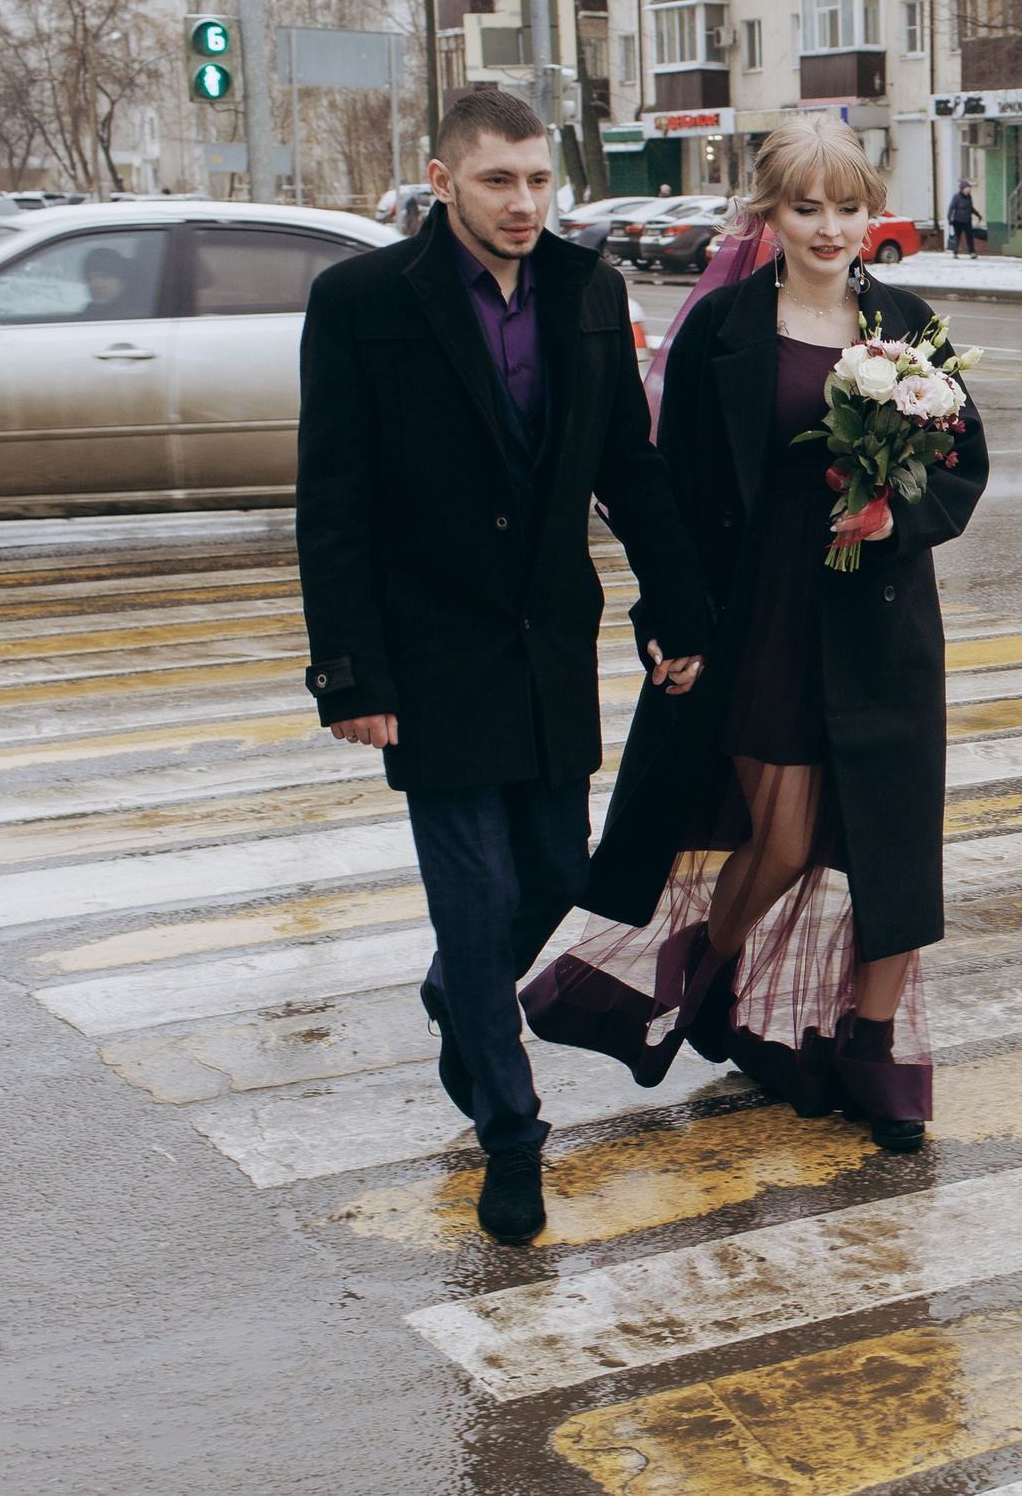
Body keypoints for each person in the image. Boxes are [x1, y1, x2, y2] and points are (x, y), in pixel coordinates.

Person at [295, 88, 713, 1246]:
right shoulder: (362, 300)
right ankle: (511, 1130)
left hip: (547, 645)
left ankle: (452, 995)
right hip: (427, 653)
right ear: (441, 180)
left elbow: (629, 467)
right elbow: (332, 502)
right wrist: (351, 675)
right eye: (497, 181)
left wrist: (675, 610)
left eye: (537, 180)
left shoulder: (589, 290)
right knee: (473, 897)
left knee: (552, 871)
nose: (523, 203)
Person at [526, 112, 988, 1155]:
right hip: (764, 612)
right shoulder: (725, 327)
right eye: (806, 206)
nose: (830, 227)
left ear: (874, 211)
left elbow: (961, 462)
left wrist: (893, 510)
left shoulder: (907, 320)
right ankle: (705, 969)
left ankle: (875, 1048)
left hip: (878, 619)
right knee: (780, 836)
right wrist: (671, 621)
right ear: (768, 213)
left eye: (849, 205)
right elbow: (669, 491)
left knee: (891, 846)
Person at [947, 180, 982, 258]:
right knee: (957, 237)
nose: (967, 191)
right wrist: (949, 218)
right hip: (958, 220)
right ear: (962, 189)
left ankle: (972, 252)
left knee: (969, 237)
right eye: (966, 190)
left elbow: (971, 208)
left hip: (967, 220)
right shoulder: (956, 197)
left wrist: (978, 215)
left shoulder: (969, 197)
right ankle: (955, 252)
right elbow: (952, 208)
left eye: (969, 190)